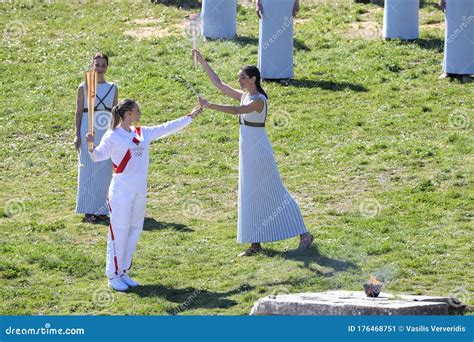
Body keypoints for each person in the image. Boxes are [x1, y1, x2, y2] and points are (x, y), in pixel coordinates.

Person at [192, 49, 314, 257]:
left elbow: (237, 111)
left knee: (274, 189)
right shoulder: (245, 96)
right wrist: (203, 62)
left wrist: (209, 105)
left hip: (259, 149)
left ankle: (304, 234)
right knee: (249, 193)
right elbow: (220, 84)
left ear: (253, 79)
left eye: (242, 77)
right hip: (247, 149)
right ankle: (255, 244)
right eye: (239, 77)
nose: (239, 80)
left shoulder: (258, 100)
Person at [86, 99, 202, 291]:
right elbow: (97, 156)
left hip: (139, 190)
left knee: (134, 230)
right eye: (137, 110)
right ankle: (112, 275)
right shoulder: (113, 136)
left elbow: (166, 128)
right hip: (121, 191)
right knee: (119, 231)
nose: (140, 113)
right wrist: (90, 145)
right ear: (128, 114)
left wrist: (189, 117)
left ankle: (123, 271)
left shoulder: (142, 132)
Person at [75, 52, 118, 223]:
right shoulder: (84, 86)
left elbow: (115, 113)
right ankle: (87, 209)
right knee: (87, 168)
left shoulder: (112, 87)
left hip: (105, 129)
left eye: (103, 65)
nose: (99, 68)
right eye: (97, 64)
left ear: (107, 67)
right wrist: (76, 134)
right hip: (88, 128)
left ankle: (102, 209)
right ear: (92, 65)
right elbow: (78, 112)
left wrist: (116, 134)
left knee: (104, 169)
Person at [256, 0, 299, 80]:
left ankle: (285, 74)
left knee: (284, 37)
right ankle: (267, 74)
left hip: (286, 5)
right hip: (268, 4)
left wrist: (296, 2)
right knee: (268, 36)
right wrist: (258, 2)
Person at [439, 0, 474, 83]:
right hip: (452, 4)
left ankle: (467, 71)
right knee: (452, 33)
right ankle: (450, 70)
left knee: (468, 32)